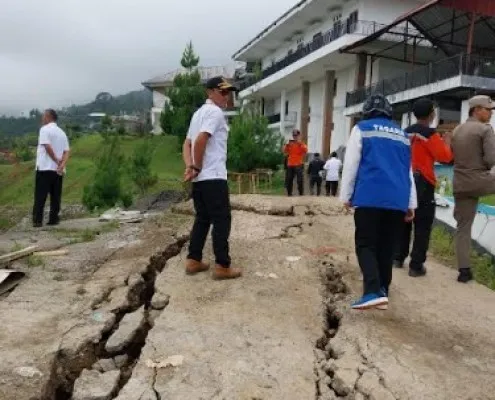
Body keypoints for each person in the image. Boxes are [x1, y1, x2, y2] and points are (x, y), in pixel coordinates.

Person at [340, 94, 417, 310]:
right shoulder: (402, 135)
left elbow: (351, 164)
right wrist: (411, 203)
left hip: (370, 195)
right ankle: (383, 291)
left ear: (366, 112)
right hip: (397, 200)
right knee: (386, 247)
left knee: (365, 244)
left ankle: (372, 290)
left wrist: (346, 195)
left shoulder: (362, 128)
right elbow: (408, 171)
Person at [182, 76, 242, 280]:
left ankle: (193, 259)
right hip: (213, 176)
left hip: (200, 180)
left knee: (203, 218)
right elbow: (199, 141)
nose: (227, 96)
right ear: (210, 92)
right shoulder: (214, 112)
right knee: (222, 219)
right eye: (222, 92)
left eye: (228, 92)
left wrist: (190, 167)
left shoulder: (198, 114)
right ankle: (222, 265)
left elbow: (187, 144)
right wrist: (196, 166)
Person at [394, 98, 453, 277]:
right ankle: (416, 265)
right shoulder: (430, 134)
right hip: (423, 182)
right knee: (423, 224)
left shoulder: (404, 132)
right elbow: (445, 157)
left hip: (404, 180)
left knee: (404, 220)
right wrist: (448, 141)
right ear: (431, 114)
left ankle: (398, 257)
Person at [451, 95, 495, 283]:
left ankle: (464, 271)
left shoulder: (457, 130)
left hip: (460, 184)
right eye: (488, 109)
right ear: (477, 110)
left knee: (463, 228)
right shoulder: (485, 130)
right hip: (481, 181)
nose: (491, 113)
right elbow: (491, 160)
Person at [32, 109, 70, 228]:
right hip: (58, 170)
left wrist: (56, 160)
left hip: (45, 168)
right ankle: (54, 219)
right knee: (56, 196)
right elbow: (67, 151)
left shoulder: (44, 130)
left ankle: (38, 220)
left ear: (48, 117)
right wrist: (62, 164)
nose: (42, 118)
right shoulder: (62, 132)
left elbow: (47, 146)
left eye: (43, 116)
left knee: (40, 195)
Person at [283, 129, 308, 196]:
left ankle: (301, 194)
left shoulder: (301, 144)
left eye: (296, 135)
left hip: (298, 164)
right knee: (289, 180)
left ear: (299, 136)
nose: (295, 137)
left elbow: (305, 150)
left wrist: (300, 143)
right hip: (290, 164)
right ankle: (289, 194)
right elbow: (284, 151)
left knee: (300, 180)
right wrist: (286, 144)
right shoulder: (290, 143)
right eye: (294, 135)